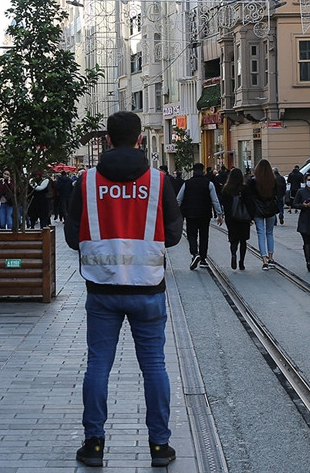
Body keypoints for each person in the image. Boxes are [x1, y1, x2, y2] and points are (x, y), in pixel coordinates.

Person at [64, 111, 182, 467]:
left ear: (108, 141)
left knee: (98, 365)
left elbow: (72, 238)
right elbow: (174, 235)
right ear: (141, 139)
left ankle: (94, 445)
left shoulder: (84, 183)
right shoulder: (160, 182)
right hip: (148, 289)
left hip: (102, 290)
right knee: (155, 367)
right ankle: (160, 446)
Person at [177, 162, 224, 270]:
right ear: (203, 171)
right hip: (204, 213)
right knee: (204, 235)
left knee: (191, 235)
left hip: (190, 213)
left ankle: (194, 253)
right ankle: (203, 259)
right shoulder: (209, 184)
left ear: (193, 171)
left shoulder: (187, 183)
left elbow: (179, 199)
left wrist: (176, 212)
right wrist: (219, 214)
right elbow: (215, 200)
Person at [245, 159, 279, 270]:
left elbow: (249, 197)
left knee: (261, 233)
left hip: (257, 209)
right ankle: (271, 257)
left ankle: (264, 259)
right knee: (270, 233)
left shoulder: (252, 181)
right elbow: (277, 195)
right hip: (270, 209)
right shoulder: (273, 180)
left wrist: (250, 215)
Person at [221, 168, 251, 270]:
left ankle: (233, 254)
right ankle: (241, 262)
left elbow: (224, 204)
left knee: (233, 240)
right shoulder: (245, 188)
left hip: (231, 218)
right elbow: (249, 203)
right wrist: (251, 217)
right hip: (243, 219)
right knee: (243, 241)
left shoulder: (226, 189)